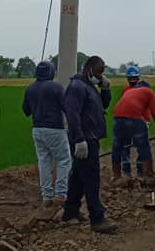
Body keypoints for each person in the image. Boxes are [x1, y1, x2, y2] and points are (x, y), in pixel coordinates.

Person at [63, 55, 117, 234]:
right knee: (92, 178)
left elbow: (103, 105)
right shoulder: (77, 87)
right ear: (89, 70)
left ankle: (70, 212)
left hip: (90, 138)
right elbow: (72, 114)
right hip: (85, 139)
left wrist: (105, 89)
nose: (101, 75)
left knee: (79, 176)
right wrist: (79, 139)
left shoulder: (89, 86)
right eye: (99, 72)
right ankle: (97, 218)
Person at [22, 60, 72, 212]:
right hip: (55, 128)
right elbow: (66, 107)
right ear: (51, 72)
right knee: (63, 160)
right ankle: (60, 194)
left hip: (37, 129)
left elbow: (26, 111)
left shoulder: (30, 88)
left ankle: (47, 196)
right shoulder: (56, 87)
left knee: (44, 162)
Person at [111, 79, 155, 183]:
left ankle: (117, 177)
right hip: (134, 117)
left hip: (117, 117)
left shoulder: (129, 91)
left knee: (117, 147)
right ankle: (148, 177)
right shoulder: (149, 92)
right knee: (144, 147)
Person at [119, 64, 152, 179]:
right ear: (127, 79)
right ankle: (126, 172)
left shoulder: (145, 89)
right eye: (130, 78)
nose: (133, 80)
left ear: (138, 77)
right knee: (125, 147)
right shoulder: (125, 90)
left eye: (135, 78)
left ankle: (141, 172)